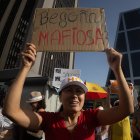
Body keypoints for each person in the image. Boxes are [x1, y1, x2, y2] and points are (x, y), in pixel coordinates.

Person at [3, 43, 134, 140]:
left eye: (79, 90)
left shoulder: (92, 117)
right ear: (60, 97)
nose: (74, 95)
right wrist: (25, 68)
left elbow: (126, 109)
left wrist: (117, 69)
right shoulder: (47, 120)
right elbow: (11, 111)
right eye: (69, 90)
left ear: (84, 97)